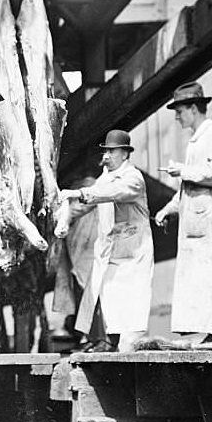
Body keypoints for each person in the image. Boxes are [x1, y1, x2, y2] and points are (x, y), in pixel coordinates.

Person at [58, 130, 153, 352]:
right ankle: (110, 342)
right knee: (110, 299)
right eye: (106, 151)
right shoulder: (104, 179)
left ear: (125, 154)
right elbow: (87, 203)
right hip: (111, 251)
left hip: (133, 252)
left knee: (131, 304)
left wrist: (80, 192)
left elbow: (113, 192)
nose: (107, 156)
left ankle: (128, 348)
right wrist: (64, 217)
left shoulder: (133, 178)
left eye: (112, 151)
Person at [154, 81, 212, 345]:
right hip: (199, 221)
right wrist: (169, 208)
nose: (177, 117)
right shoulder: (197, 141)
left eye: (179, 111)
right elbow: (187, 190)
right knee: (201, 278)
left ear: (193, 109)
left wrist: (184, 171)